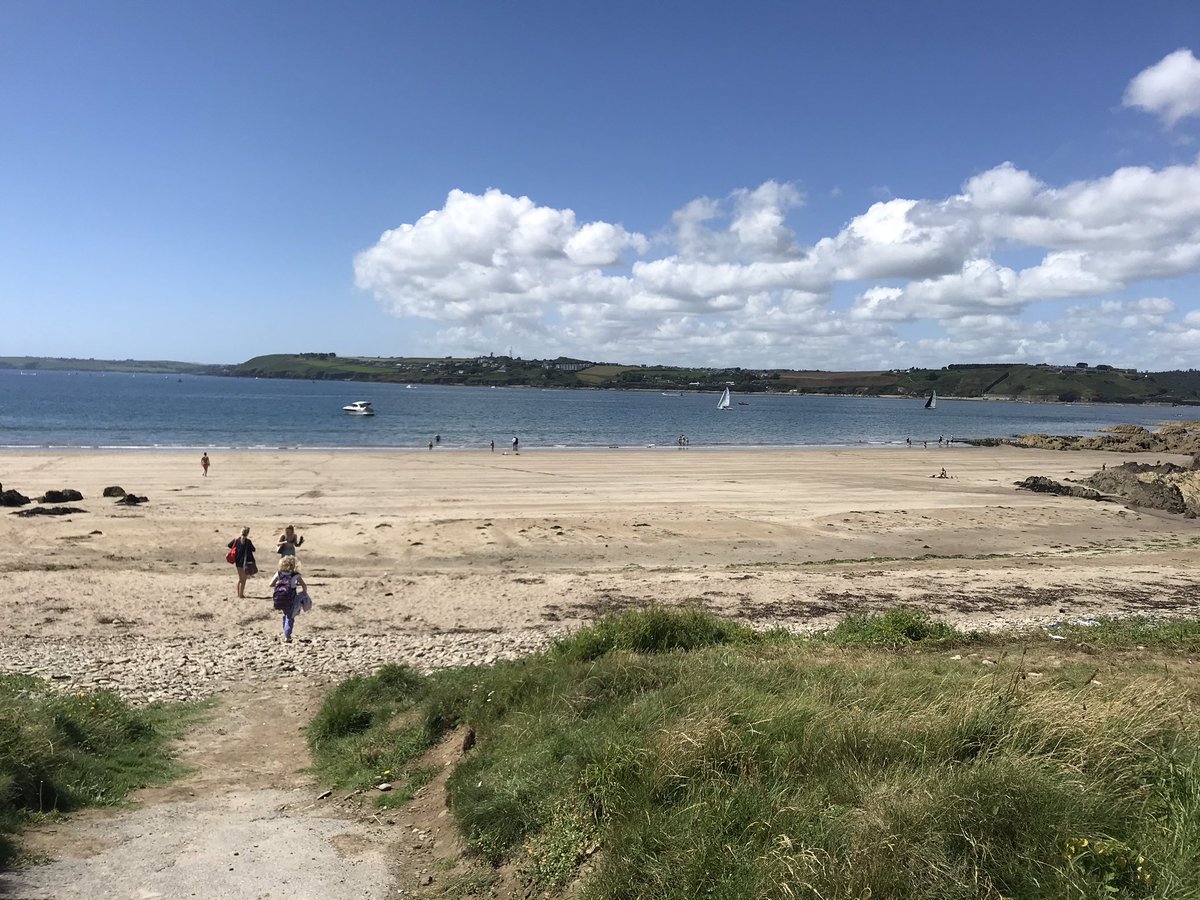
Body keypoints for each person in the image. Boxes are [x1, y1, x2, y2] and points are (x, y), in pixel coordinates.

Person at [269, 555, 309, 643]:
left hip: (280, 597)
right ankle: (287, 636)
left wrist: (280, 585)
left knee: (286, 614)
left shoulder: (279, 573)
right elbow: (304, 585)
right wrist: (304, 594)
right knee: (290, 616)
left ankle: (285, 632)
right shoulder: (295, 575)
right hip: (291, 597)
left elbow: (271, 584)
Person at [227, 527, 256, 599]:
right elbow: (253, 549)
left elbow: (229, 545)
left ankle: (239, 593)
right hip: (245, 562)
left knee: (240, 578)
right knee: (244, 579)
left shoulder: (236, 540)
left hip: (238, 561)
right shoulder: (248, 541)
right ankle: (241, 594)